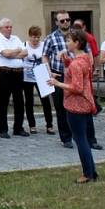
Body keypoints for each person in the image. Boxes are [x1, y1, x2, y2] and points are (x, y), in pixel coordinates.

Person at [47, 29, 98, 183]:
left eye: (69, 41)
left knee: (80, 140)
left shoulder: (77, 63)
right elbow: (78, 71)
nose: (67, 43)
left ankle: (87, 174)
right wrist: (66, 61)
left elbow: (77, 87)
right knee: (84, 139)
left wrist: (57, 83)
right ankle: (92, 171)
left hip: (76, 106)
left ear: (77, 43)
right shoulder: (84, 59)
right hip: (86, 104)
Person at [43, 10, 74, 148]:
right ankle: (66, 138)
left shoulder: (76, 35)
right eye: (62, 20)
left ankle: (78, 134)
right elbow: (45, 56)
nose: (66, 22)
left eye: (67, 19)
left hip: (75, 74)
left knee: (75, 106)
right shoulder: (51, 38)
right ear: (56, 22)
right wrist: (49, 72)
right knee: (61, 107)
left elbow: (86, 51)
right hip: (58, 74)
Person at [0, 18, 27, 138]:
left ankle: (18, 127)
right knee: (4, 102)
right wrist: (16, 51)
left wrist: (12, 54)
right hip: (5, 73)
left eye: (11, 27)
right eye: (7, 27)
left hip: (18, 73)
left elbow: (25, 53)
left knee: (19, 101)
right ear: (1, 28)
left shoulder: (16, 38)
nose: (9, 29)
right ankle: (2, 129)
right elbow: (5, 54)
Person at [20, 25, 54, 135]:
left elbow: (47, 58)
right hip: (27, 76)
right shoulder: (24, 45)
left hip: (41, 74)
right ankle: (32, 125)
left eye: (37, 37)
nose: (35, 40)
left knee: (45, 100)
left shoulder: (43, 45)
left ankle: (49, 125)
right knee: (29, 101)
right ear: (29, 36)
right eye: (33, 37)